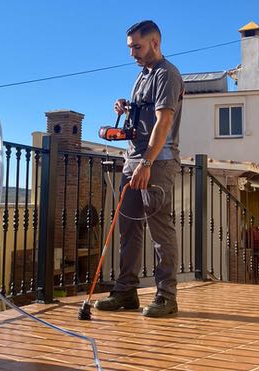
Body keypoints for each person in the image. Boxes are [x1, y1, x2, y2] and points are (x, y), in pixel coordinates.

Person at [95, 20, 184, 317]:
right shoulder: (141, 77)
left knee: (160, 230)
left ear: (155, 43)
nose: (132, 52)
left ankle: (166, 297)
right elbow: (142, 116)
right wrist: (125, 106)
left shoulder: (167, 74)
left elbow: (164, 122)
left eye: (137, 46)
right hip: (133, 160)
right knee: (129, 228)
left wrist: (147, 162)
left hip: (156, 162)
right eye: (130, 46)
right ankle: (125, 292)